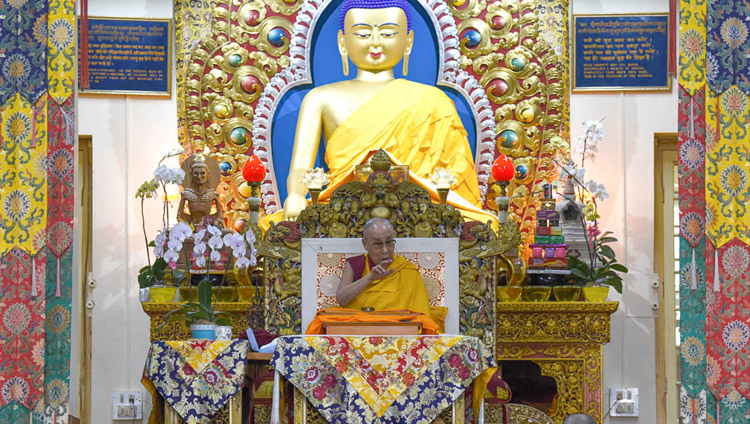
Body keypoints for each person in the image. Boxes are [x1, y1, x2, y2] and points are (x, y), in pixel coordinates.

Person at [272, 0, 496, 226]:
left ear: (408, 42)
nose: (376, 43)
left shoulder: (433, 100)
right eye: (362, 34)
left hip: (418, 212)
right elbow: (302, 164)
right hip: (343, 210)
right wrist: (296, 195)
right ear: (343, 42)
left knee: (484, 225)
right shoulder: (320, 98)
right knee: (274, 229)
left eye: (388, 34)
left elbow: (453, 176)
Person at [335, 217, 431, 317]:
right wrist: (370, 278)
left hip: (399, 329)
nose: (385, 250)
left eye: (389, 242)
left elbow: (421, 316)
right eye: (378, 244)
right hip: (360, 328)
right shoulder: (355, 265)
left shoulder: (407, 270)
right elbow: (342, 299)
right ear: (365, 244)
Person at [178, 154, 223, 226]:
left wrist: (216, 222)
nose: (199, 177)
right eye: (196, 173)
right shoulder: (186, 193)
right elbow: (180, 215)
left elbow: (220, 216)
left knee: (227, 232)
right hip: (191, 226)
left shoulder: (213, 193)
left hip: (208, 226)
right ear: (191, 174)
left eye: (202, 173)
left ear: (208, 174)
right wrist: (186, 223)